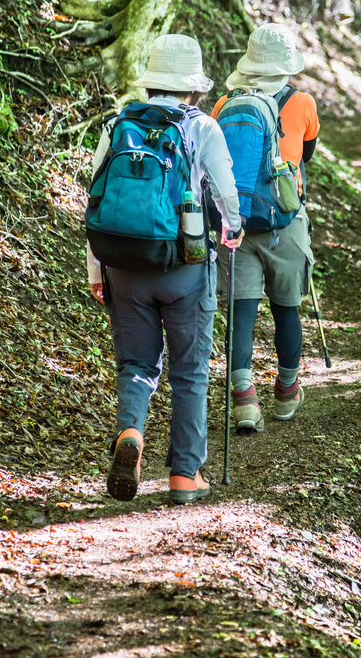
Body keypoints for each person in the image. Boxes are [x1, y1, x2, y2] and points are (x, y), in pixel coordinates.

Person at [87, 35, 244, 504]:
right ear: (192, 87)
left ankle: (130, 431)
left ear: (153, 81)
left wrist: (96, 270)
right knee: (190, 370)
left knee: (135, 364)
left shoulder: (119, 123)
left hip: (124, 265)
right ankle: (184, 475)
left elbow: (96, 200)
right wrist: (232, 228)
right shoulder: (202, 128)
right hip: (185, 268)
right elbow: (227, 194)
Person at [212, 24, 319, 434]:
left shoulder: (224, 104)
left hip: (234, 224)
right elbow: (306, 154)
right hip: (284, 222)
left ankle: (243, 401)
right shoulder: (302, 101)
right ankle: (287, 391)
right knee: (286, 307)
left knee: (241, 312)